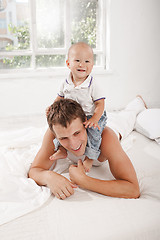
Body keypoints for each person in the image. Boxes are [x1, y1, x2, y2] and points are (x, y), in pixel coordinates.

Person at [28, 96, 147, 200]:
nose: (73, 144)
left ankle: (138, 102)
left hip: (116, 126)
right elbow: (35, 170)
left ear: (85, 122)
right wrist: (49, 177)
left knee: (128, 116)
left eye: (77, 133)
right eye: (64, 138)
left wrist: (84, 181)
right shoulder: (54, 134)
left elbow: (132, 189)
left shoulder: (106, 138)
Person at [45, 42, 107, 172]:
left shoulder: (92, 84)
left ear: (92, 65)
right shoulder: (66, 82)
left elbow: (100, 104)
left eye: (86, 61)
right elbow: (60, 98)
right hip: (73, 116)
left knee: (94, 134)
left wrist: (95, 119)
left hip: (91, 115)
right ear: (68, 63)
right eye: (77, 60)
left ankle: (90, 157)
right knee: (60, 130)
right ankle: (61, 150)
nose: (82, 64)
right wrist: (52, 107)